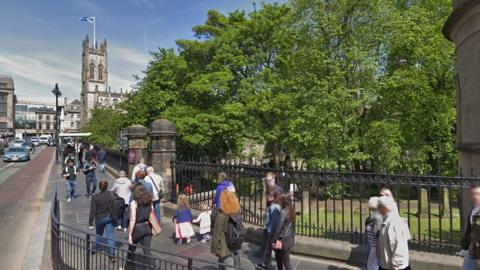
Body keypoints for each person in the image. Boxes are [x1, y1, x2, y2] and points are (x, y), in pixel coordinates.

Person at [377, 196, 411, 270]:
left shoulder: (395, 223)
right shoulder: (387, 221)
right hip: (386, 265)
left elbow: (398, 249)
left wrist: (396, 266)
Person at [254, 172, 284, 257]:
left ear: (274, 180)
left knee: (270, 234)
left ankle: (268, 253)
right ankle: (263, 251)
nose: (268, 182)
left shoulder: (277, 190)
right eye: (267, 180)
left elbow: (280, 205)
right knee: (266, 234)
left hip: (275, 215)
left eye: (269, 180)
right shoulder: (269, 188)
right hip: (269, 214)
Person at [212, 191, 242, 270]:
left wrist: (214, 249)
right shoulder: (237, 212)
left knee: (228, 262)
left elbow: (216, 234)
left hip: (224, 245)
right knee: (222, 261)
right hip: (234, 241)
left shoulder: (221, 216)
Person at [89, 181, 116, 263]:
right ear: (107, 186)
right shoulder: (111, 195)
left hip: (99, 219)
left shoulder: (95, 197)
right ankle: (112, 254)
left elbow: (93, 211)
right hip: (109, 217)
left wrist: (90, 222)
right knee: (110, 236)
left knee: (99, 234)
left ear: (99, 187)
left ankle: (96, 248)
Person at [127, 184, 154, 266]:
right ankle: (152, 267)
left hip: (138, 228)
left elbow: (132, 220)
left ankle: (128, 266)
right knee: (147, 251)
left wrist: (129, 235)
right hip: (148, 227)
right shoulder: (150, 201)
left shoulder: (134, 203)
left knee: (131, 249)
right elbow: (151, 213)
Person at [255, 190, 281, 270]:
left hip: (270, 230)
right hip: (269, 229)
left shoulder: (273, 207)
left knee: (268, 248)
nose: (267, 197)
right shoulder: (273, 205)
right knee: (270, 248)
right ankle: (265, 263)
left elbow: (274, 221)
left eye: (270, 195)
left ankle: (264, 264)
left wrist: (269, 230)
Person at [270, 193, 295, 270]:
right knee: (279, 259)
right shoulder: (291, 210)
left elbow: (278, 228)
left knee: (285, 263)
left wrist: (273, 241)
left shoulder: (284, 212)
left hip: (283, 241)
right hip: (290, 239)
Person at [459, 183, 480, 269]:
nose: (474, 196)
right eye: (472, 194)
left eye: (477, 194)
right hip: (473, 251)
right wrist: (464, 247)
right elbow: (469, 231)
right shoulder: (474, 211)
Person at [365, 197, 383, 270]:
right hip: (374, 248)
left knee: (373, 267)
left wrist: (377, 252)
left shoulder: (376, 218)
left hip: (376, 249)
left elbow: (378, 236)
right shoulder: (374, 217)